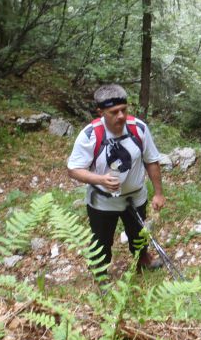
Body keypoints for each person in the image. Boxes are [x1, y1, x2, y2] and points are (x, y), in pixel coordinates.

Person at [67, 84, 165, 277]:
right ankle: (101, 272)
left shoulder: (139, 129)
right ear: (100, 112)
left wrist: (159, 193)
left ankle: (142, 260)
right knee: (101, 240)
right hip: (102, 201)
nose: (121, 116)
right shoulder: (90, 135)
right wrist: (100, 179)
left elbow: (151, 160)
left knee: (139, 234)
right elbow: (73, 170)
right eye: (114, 112)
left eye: (124, 110)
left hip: (136, 197)